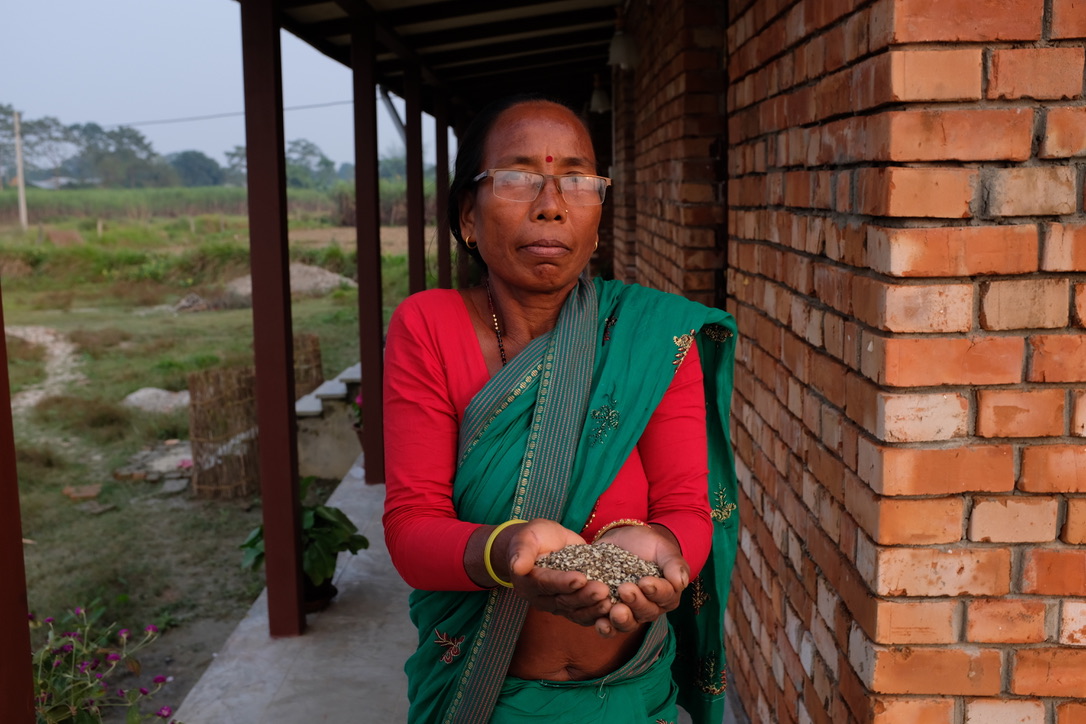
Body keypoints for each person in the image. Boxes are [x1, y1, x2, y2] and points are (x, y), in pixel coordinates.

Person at [383, 94, 738, 724]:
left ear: (597, 219)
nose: (551, 203)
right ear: (468, 214)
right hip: (486, 699)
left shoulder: (653, 338)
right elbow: (412, 528)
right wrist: (509, 550)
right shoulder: (429, 327)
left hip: (634, 694)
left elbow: (689, 504)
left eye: (576, 180)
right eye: (518, 177)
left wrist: (659, 545)